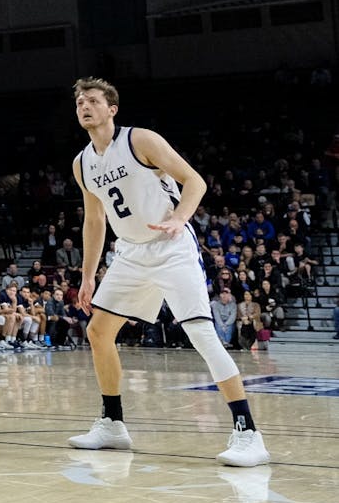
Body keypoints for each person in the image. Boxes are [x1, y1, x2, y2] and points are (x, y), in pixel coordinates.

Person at [67, 77, 268, 466]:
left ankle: (248, 433)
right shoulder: (82, 163)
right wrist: (88, 275)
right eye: (79, 103)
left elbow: (195, 181)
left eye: (92, 100)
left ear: (112, 109)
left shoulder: (139, 140)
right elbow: (94, 220)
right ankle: (112, 424)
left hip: (171, 246)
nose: (84, 106)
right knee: (98, 331)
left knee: (201, 334)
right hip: (130, 252)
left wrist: (179, 218)